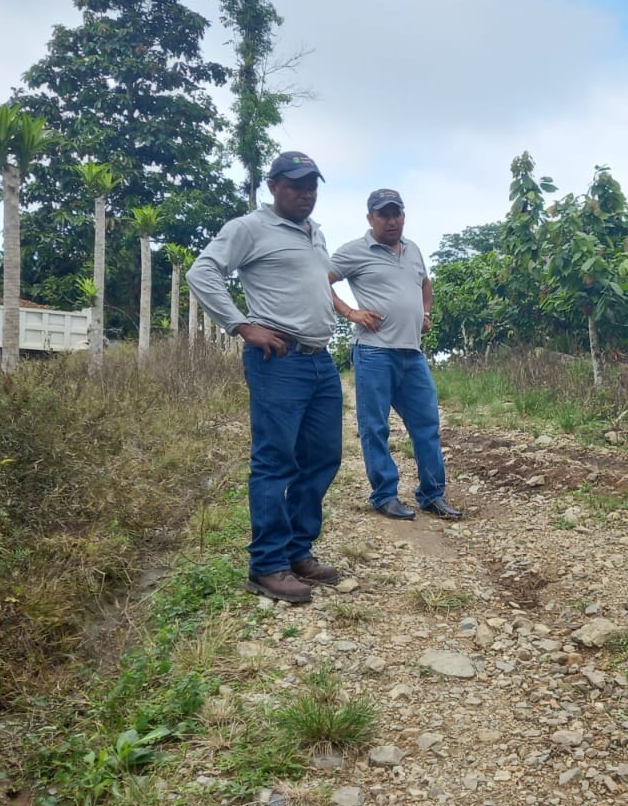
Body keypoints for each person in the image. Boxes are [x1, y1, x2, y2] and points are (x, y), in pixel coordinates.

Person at [186, 150, 345, 605]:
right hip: (279, 359)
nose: (306, 194)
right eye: (295, 185)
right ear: (273, 186)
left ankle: (297, 551)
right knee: (276, 461)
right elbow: (202, 272)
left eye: (311, 186)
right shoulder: (249, 227)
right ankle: (267, 564)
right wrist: (241, 325)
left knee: (323, 456)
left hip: (320, 361)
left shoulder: (314, 232)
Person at [329, 189, 462, 522]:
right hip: (374, 352)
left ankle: (432, 494)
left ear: (403, 215)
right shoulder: (355, 251)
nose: (391, 221)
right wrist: (350, 312)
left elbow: (425, 284)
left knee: (427, 425)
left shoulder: (413, 249)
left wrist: (426, 313)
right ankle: (384, 495)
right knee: (375, 427)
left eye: (396, 214)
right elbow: (319, 280)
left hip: (412, 354)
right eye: (383, 215)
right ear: (370, 218)